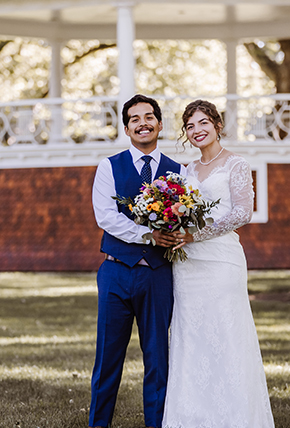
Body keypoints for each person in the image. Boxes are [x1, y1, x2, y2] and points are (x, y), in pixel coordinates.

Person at [160, 99, 274, 427]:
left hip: (222, 261)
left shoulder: (235, 165)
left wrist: (198, 235)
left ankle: (236, 417)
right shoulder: (186, 171)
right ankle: (193, 417)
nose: (197, 130)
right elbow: (179, 211)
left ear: (217, 125)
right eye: (190, 126)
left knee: (227, 332)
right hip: (188, 264)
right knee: (190, 337)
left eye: (203, 123)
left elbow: (242, 212)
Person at [90, 94, 186, 428]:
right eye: (134, 119)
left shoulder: (179, 171)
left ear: (160, 124)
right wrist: (148, 236)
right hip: (116, 271)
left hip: (159, 276)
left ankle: (157, 424)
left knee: (158, 359)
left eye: (149, 117)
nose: (142, 123)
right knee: (107, 359)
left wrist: (176, 234)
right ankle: (98, 424)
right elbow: (106, 217)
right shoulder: (109, 166)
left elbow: (185, 218)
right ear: (127, 128)